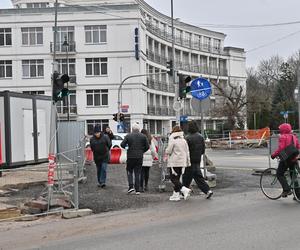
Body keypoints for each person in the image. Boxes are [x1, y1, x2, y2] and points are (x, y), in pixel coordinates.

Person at [182, 121, 213, 199]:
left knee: (186, 177)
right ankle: (208, 190)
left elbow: (185, 150)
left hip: (189, 160)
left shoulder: (187, 137)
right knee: (198, 176)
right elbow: (203, 150)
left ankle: (183, 192)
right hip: (197, 159)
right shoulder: (200, 136)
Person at [271, 123, 300, 197]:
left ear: (282, 129)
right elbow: (298, 146)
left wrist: (273, 155)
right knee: (293, 176)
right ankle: (298, 195)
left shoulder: (283, 137)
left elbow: (280, 149)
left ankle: (286, 190)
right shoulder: (294, 137)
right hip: (294, 158)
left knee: (279, 174)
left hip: (286, 159)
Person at [121, 123, 149, 194]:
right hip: (139, 157)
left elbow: (122, 144)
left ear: (132, 129)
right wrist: (142, 151)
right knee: (137, 173)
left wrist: (127, 148)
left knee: (129, 171)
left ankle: (131, 187)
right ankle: (137, 189)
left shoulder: (128, 136)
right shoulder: (143, 136)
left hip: (130, 156)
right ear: (139, 129)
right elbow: (147, 146)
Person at [165, 125, 191, 201]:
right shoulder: (184, 141)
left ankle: (184, 189)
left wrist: (166, 150)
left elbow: (168, 151)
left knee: (173, 179)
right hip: (182, 162)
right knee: (177, 178)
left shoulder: (172, 140)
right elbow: (187, 151)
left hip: (174, 162)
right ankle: (176, 195)